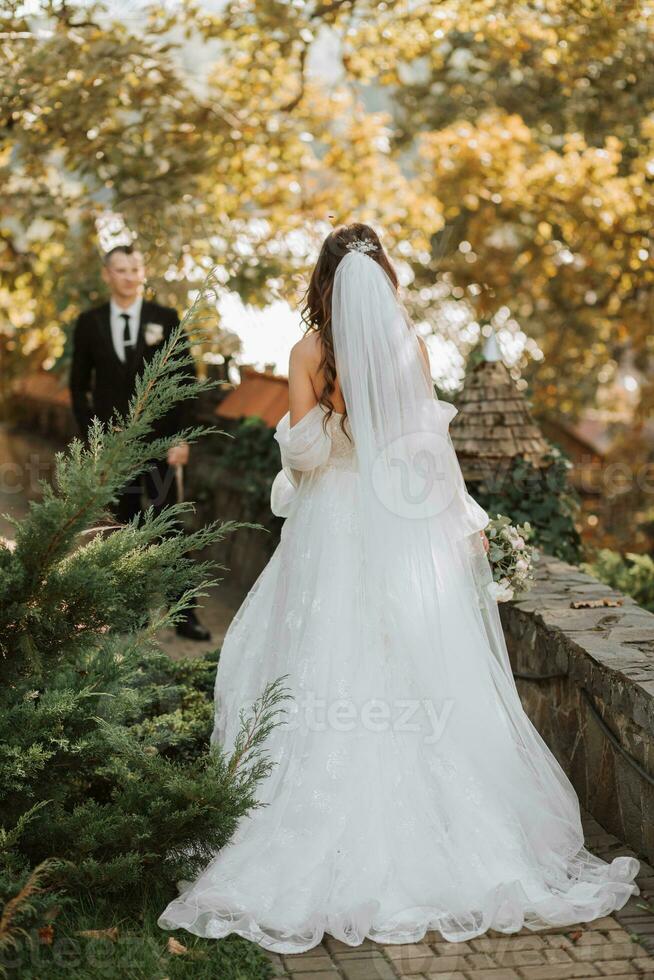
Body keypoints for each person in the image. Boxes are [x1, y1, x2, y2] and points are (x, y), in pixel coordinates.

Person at [157, 223, 639, 951]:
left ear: (322, 280)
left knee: (314, 660)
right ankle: (440, 832)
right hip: (396, 525)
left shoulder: (308, 354)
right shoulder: (406, 349)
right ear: (382, 281)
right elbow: (429, 459)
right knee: (404, 659)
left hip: (330, 529)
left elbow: (309, 458)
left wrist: (326, 416)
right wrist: (464, 524)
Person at [69, 244, 211, 642]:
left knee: (170, 526)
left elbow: (185, 380)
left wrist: (181, 437)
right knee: (122, 526)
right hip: (115, 448)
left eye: (135, 268)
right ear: (107, 275)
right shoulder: (89, 323)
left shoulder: (164, 318)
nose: (129, 275)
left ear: (142, 272)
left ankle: (185, 614)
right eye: (121, 269)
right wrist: (93, 439)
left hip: (162, 445)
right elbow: (79, 389)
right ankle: (128, 613)